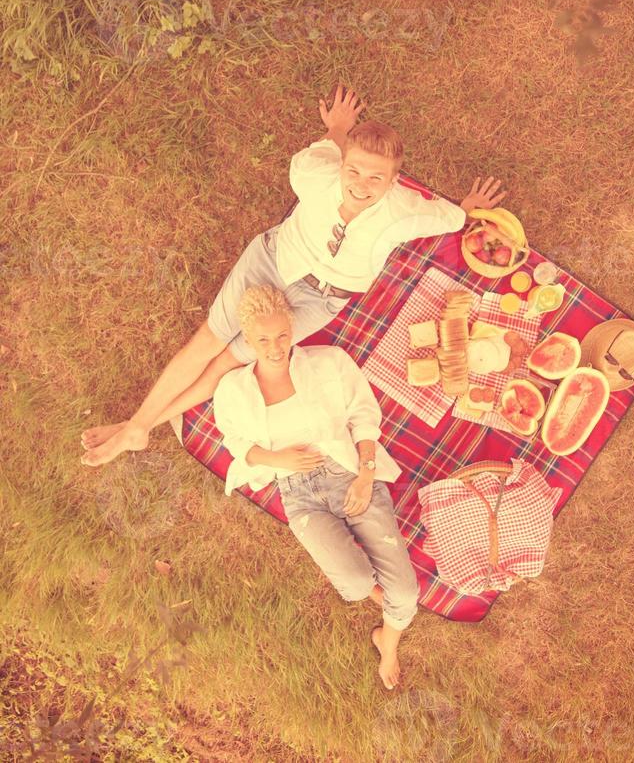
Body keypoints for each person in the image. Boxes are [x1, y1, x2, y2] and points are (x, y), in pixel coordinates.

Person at [81, 85, 506, 465]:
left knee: (229, 362)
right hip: (271, 261)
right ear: (341, 165)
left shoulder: (404, 210)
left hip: (319, 300)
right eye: (353, 171)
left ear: (395, 182)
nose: (361, 184)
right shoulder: (313, 174)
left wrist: (466, 207)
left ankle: (137, 429)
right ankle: (137, 425)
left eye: (377, 178)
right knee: (206, 341)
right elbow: (324, 148)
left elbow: (448, 218)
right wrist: (339, 127)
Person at [215, 284, 419, 690]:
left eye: (282, 336)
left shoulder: (329, 362)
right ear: (247, 339)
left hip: (347, 472)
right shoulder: (232, 390)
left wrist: (365, 474)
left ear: (292, 330)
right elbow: (237, 444)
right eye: (262, 340)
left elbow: (364, 416)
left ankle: (388, 642)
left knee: (408, 593)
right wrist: (278, 460)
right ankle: (383, 601)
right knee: (357, 585)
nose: (275, 348)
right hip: (300, 495)